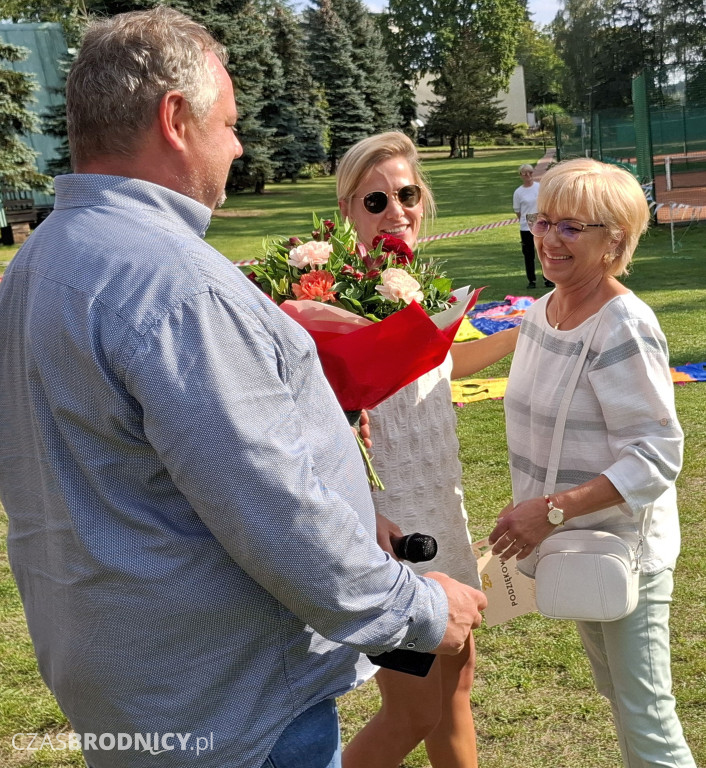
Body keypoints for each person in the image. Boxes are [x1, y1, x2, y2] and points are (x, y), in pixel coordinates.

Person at [0, 10, 487, 768]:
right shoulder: (177, 285)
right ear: (174, 119)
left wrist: (359, 516)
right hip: (234, 712)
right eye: (228, 124)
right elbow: (270, 506)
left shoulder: (36, 264)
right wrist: (418, 608)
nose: (238, 145)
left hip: (124, 683)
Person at [490, 158, 696, 768]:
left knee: (646, 714)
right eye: (543, 221)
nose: (549, 239)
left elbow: (657, 455)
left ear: (615, 242)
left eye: (572, 227)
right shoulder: (543, 312)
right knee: (621, 697)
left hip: (622, 546)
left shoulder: (623, 324)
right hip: (575, 543)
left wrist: (550, 512)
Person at [337, 132, 518, 768]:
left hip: (446, 506)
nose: (396, 211)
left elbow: (438, 364)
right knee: (411, 710)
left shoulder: (422, 285)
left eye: (407, 194)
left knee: (458, 689)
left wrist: (519, 334)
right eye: (375, 200)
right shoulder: (331, 298)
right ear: (348, 213)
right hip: (393, 530)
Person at [512, 163, 552, 289]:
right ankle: (531, 280)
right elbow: (518, 211)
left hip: (541, 224)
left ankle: (548, 279)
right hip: (526, 227)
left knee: (544, 252)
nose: (528, 175)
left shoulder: (539, 188)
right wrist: (526, 222)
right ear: (521, 175)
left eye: (530, 172)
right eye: (525, 173)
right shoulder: (518, 192)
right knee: (529, 254)